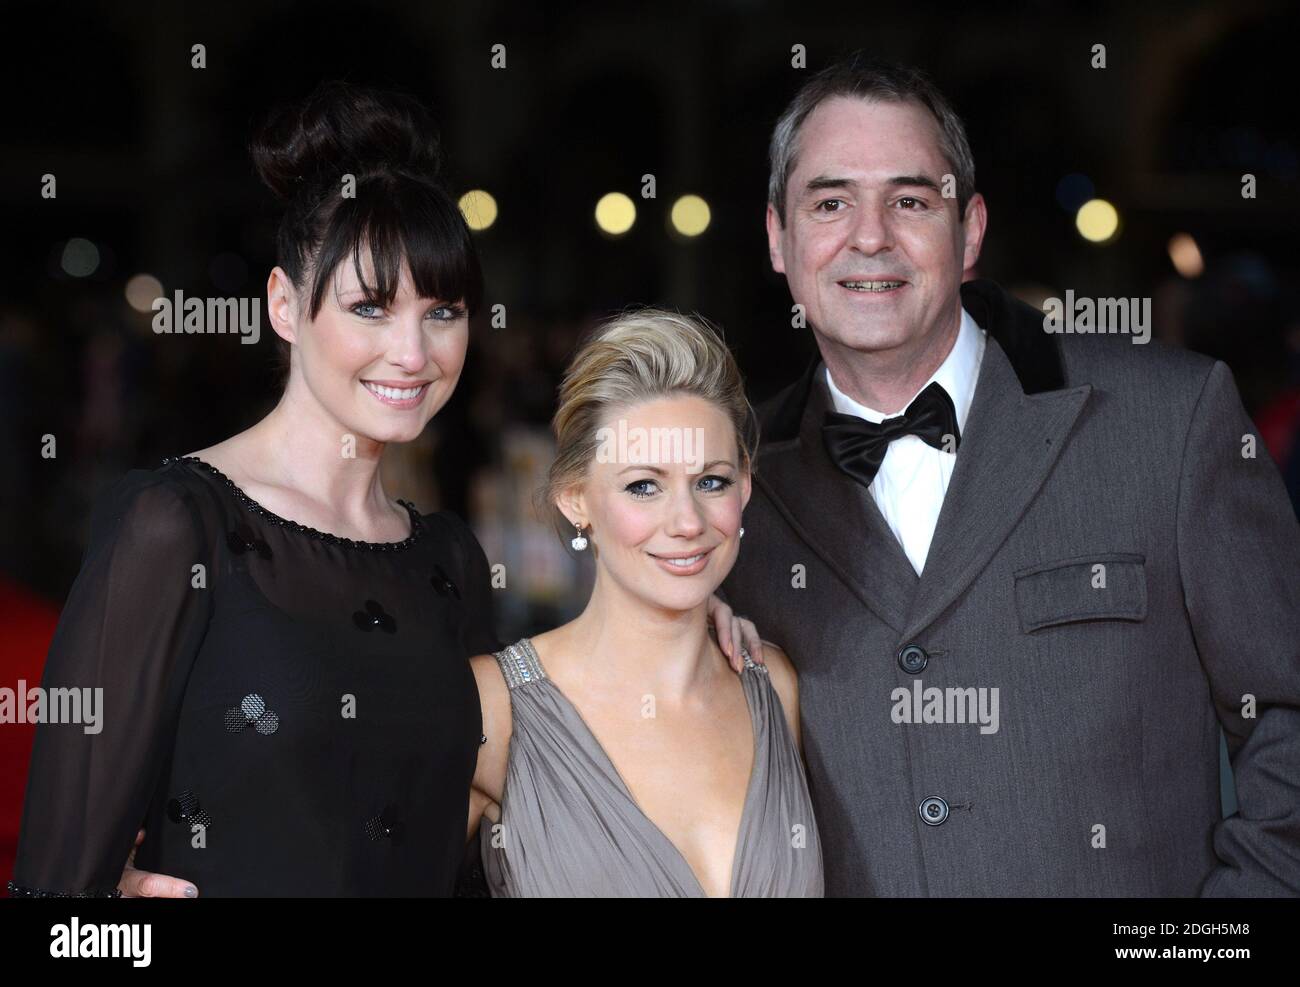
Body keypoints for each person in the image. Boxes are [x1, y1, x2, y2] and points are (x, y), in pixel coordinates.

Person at [10, 81, 758, 899]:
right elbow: (57, 902)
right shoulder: (176, 526)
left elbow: (508, 783)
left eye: (444, 312)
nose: (414, 352)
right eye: (371, 306)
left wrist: (681, 608)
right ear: (285, 305)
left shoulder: (446, 560)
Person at [719, 54, 1300, 896]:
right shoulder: (728, 499)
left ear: (971, 231)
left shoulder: (1169, 420)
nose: (870, 235)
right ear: (779, 238)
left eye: (912, 200)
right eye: (831, 202)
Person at [468, 309, 823, 896]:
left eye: (711, 481)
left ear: (747, 485)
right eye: (643, 486)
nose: (687, 522)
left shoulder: (777, 687)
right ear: (575, 498)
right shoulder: (494, 709)